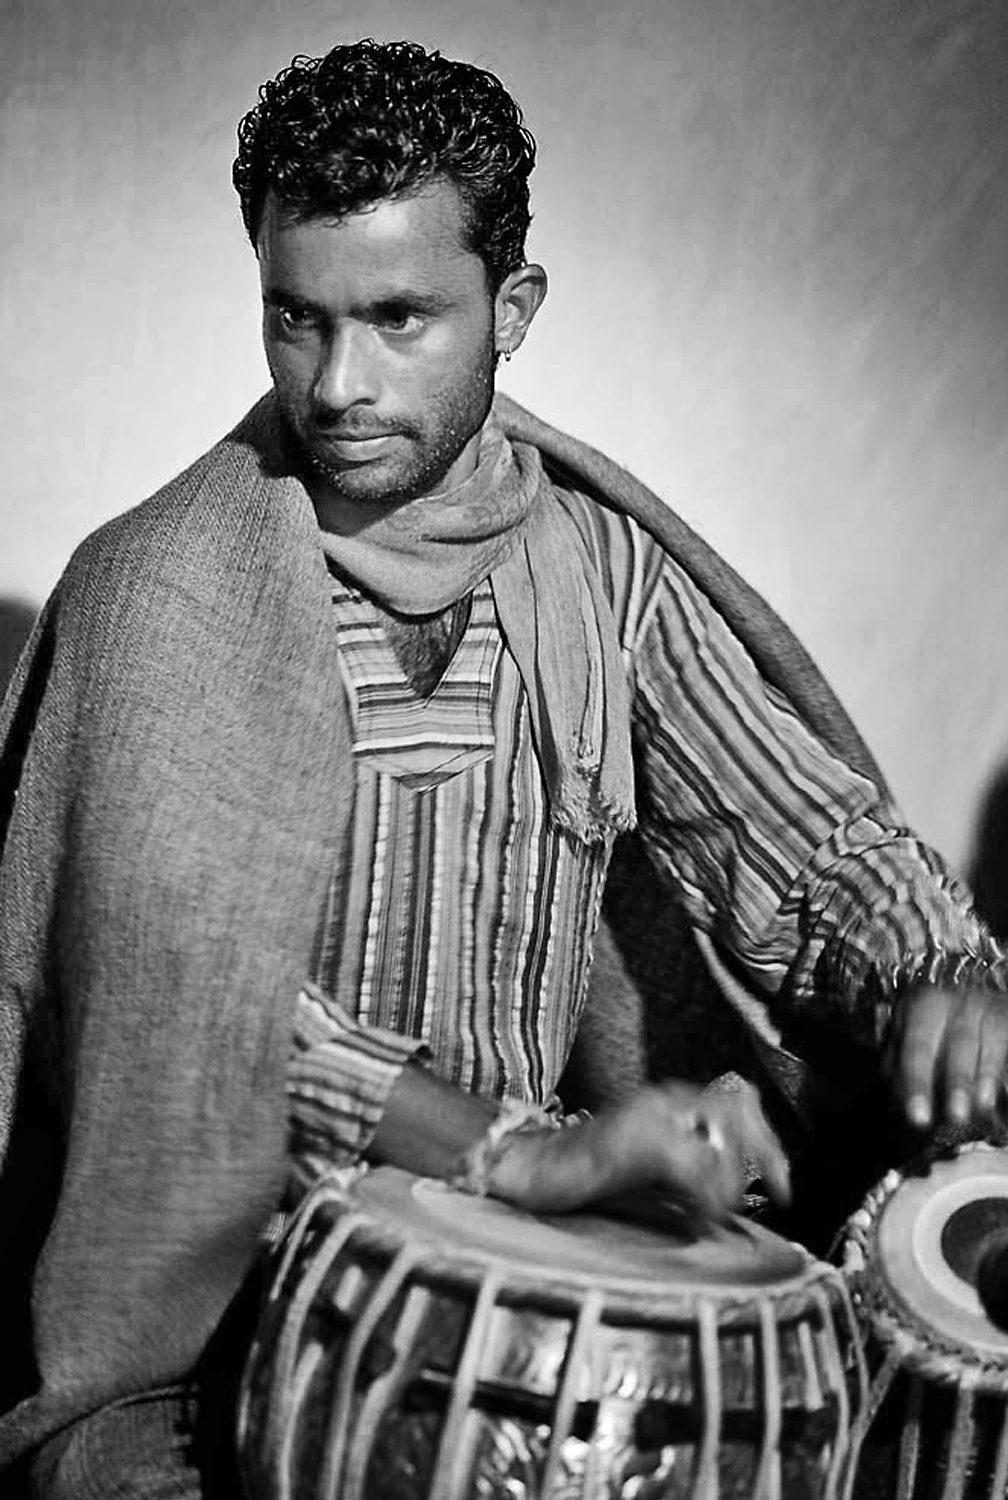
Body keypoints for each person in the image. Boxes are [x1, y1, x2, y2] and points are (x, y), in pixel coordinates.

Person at [1, 36, 1005, 1499]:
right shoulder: (149, 598)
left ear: (511, 310)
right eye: (296, 319)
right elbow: (181, 1015)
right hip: (213, 1343)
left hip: (530, 1311)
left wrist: (936, 981)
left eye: (400, 317)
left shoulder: (596, 575)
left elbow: (809, 851)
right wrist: (507, 1156)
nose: (339, 382)